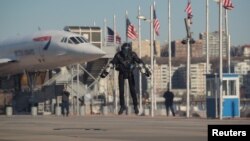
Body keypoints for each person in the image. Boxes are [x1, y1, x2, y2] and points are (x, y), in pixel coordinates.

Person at [100, 42, 151, 115]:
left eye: (126, 50)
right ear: (122, 49)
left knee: (133, 90)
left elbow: (139, 61)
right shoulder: (118, 55)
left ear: (129, 50)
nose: (125, 52)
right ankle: (122, 106)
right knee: (121, 91)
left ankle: (135, 106)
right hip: (121, 72)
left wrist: (145, 71)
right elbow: (112, 63)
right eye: (124, 50)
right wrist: (106, 72)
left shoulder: (133, 54)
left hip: (130, 73)